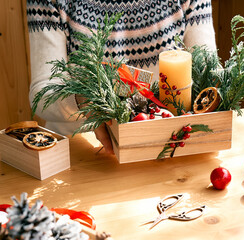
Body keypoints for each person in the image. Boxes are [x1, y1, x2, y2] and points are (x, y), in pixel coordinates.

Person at [27, 0, 217, 154]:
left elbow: (209, 73)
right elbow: (42, 93)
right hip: (80, 153)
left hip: (171, 148)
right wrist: (84, 100)